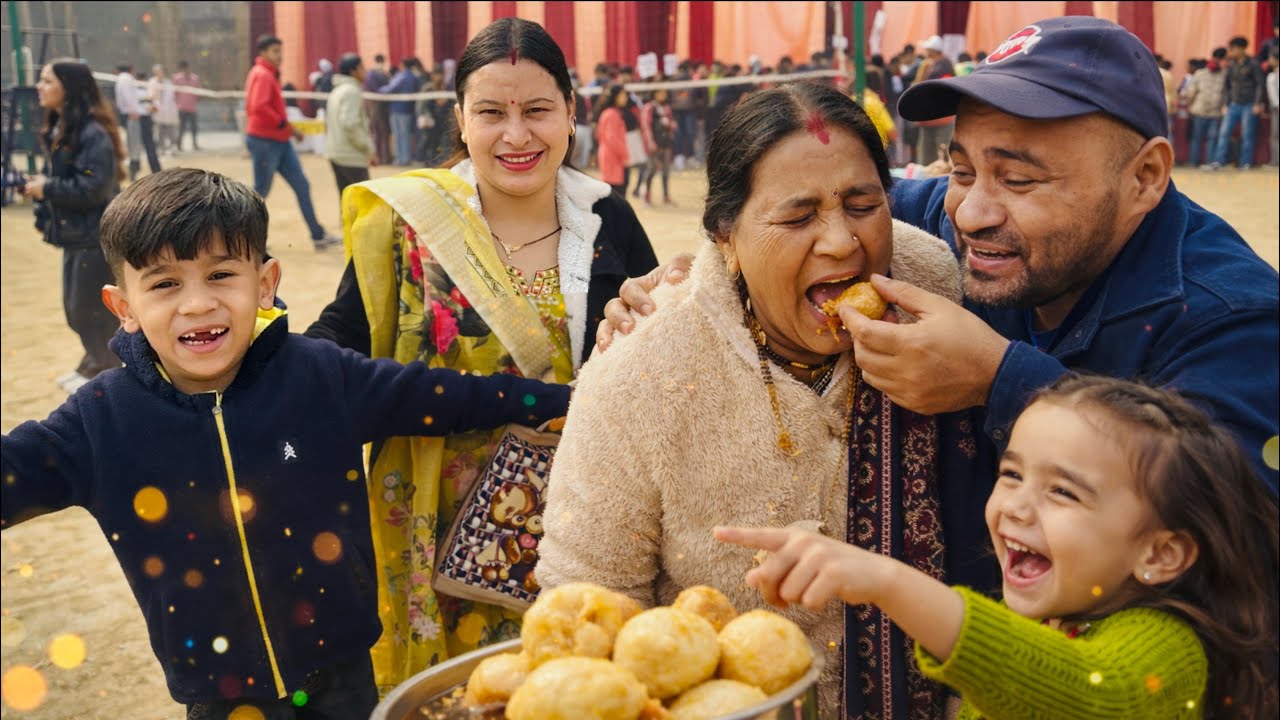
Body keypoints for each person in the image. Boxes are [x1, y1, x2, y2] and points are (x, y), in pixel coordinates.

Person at [598, 16, 1280, 492]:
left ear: (1145, 178)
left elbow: (1230, 512)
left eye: (1018, 179)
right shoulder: (949, 221)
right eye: (960, 170)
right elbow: (812, 215)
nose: (972, 212)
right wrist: (695, 280)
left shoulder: (1234, 318)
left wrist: (1002, 382)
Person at [0, 168, 571, 719]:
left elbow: (444, 396)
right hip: (220, 696)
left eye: (221, 274)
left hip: (346, 676)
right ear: (124, 307)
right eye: (165, 283)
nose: (197, 304)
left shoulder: (321, 376)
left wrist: (566, 399)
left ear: (266, 282)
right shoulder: (100, 420)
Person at [537, 81, 995, 718]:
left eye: (862, 203)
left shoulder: (946, 296)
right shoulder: (638, 378)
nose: (840, 243)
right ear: (726, 235)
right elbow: (583, 612)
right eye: (798, 217)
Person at [303, 17, 658, 693]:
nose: (516, 135)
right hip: (431, 539)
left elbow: (657, 362)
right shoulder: (409, 223)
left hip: (576, 534)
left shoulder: (608, 220)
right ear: (460, 119)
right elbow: (334, 347)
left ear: (570, 113)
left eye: (537, 111)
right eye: (491, 112)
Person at [718, 374, 1279, 719]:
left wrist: (888, 581)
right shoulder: (1053, 618)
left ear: (1160, 555)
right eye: (1011, 474)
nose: (1015, 505)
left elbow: (1083, 695)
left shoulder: (1166, 648)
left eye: (1062, 491)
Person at [21, 58, 126, 393]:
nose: (40, 87)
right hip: (75, 236)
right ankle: (94, 363)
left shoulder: (93, 133)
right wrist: (44, 203)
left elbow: (93, 188)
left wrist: (46, 188)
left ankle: (105, 373)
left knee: (90, 312)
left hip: (95, 237)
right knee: (77, 311)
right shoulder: (63, 128)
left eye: (47, 81)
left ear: (70, 87)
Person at [243, 34, 341, 250]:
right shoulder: (262, 74)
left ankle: (317, 235)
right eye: (275, 52)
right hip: (265, 141)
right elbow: (259, 107)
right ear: (263, 53)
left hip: (279, 140)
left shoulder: (267, 74)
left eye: (280, 51)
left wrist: (287, 129)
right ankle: (244, 239)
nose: (280, 56)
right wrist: (284, 125)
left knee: (301, 185)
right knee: (260, 192)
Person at [1209, 36, 1267, 170]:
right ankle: (1219, 161)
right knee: (1224, 133)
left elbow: (1259, 84)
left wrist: (1257, 103)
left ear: (1242, 49)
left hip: (1249, 104)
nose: (1230, 52)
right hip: (1233, 104)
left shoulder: (1253, 64)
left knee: (1247, 134)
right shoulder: (1231, 65)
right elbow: (1227, 86)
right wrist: (1225, 104)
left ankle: (1245, 163)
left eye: (1233, 49)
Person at [325, 52, 376, 202]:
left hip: (336, 154)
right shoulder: (351, 92)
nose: (365, 71)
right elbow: (350, 124)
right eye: (362, 67)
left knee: (347, 203)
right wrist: (368, 148)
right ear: (354, 71)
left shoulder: (337, 91)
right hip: (351, 157)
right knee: (362, 204)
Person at [912, 35, 955, 165]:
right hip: (935, 118)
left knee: (939, 158)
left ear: (932, 50)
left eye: (927, 49)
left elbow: (924, 88)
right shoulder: (938, 64)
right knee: (934, 156)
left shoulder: (939, 67)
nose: (925, 52)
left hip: (938, 118)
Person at [1183, 48, 1227, 168]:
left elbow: (1226, 93)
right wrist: (1190, 104)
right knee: (1197, 139)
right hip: (1199, 112)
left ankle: (1209, 163)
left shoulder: (1225, 75)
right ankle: (1193, 162)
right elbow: (1191, 91)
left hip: (1215, 113)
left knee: (1212, 139)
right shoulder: (1200, 73)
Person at [594, 83, 636, 196]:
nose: (625, 97)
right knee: (618, 194)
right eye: (623, 95)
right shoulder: (612, 114)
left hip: (610, 157)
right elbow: (613, 139)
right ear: (616, 96)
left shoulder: (609, 113)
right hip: (614, 159)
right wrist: (625, 156)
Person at [637, 87, 675, 205]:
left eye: (664, 93)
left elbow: (671, 123)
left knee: (666, 171)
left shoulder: (667, 108)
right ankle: (647, 195)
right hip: (654, 143)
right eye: (660, 93)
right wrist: (650, 142)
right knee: (652, 169)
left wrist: (671, 125)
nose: (663, 95)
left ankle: (666, 196)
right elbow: (646, 126)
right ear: (655, 94)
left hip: (666, 142)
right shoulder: (649, 108)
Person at [381, 58, 421, 166]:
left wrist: (378, 90)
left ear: (402, 65)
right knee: (406, 135)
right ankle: (406, 158)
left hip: (397, 110)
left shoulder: (401, 76)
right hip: (408, 110)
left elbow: (390, 89)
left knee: (398, 135)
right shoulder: (414, 77)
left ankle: (401, 159)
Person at [114, 62, 146, 180]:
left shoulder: (122, 79)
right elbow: (128, 97)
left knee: (132, 144)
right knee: (133, 144)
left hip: (128, 113)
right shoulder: (126, 79)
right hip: (131, 115)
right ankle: (133, 169)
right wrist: (133, 111)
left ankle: (134, 168)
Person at [364, 53, 392, 165]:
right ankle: (379, 157)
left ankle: (385, 157)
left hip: (383, 106)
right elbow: (373, 89)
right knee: (377, 132)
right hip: (375, 106)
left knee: (383, 132)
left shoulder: (384, 74)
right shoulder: (373, 73)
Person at [149, 63, 179, 156]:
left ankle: (172, 147)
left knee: (171, 131)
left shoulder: (168, 83)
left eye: (160, 71)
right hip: (157, 111)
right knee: (159, 132)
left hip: (169, 111)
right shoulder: (152, 82)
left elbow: (171, 97)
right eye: (157, 72)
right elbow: (150, 95)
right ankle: (161, 148)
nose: (159, 73)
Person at [172, 60, 201, 151]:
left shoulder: (195, 78)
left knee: (194, 128)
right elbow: (174, 93)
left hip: (192, 108)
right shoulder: (176, 78)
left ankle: (195, 144)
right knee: (181, 128)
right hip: (181, 108)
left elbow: (198, 92)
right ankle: (179, 144)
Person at [1268, 48, 1278, 167]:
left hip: (1276, 109)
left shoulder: (1272, 76)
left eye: (1271, 58)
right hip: (1276, 108)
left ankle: (1275, 161)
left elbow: (1273, 95)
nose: (1269, 61)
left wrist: (1277, 105)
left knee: (1275, 136)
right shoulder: (1272, 75)